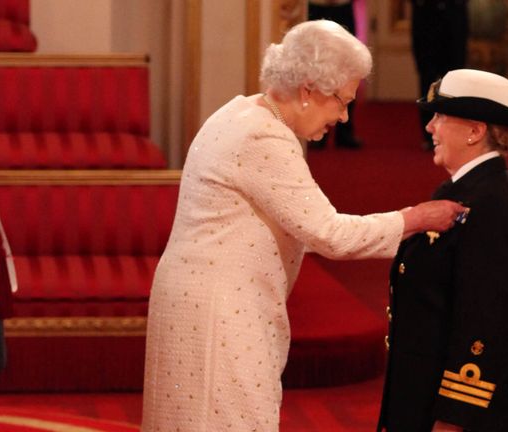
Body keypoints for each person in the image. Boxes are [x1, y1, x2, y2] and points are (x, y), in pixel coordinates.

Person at [141, 20, 466, 432]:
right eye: (342, 101)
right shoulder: (264, 138)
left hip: (201, 299)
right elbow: (329, 234)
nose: (345, 117)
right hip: (219, 312)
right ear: (310, 89)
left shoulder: (241, 110)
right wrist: (416, 218)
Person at [378, 69, 508, 432]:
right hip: (423, 393)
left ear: (475, 131)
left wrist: (454, 415)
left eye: (441, 117)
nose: (429, 127)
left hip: (462, 414)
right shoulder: (463, 188)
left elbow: (486, 317)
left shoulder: (491, 201)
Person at [410, 0, 469, 151]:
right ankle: (429, 136)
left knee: (455, 81)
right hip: (426, 17)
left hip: (454, 16)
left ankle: (454, 133)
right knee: (427, 80)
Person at [307, 0, 363, 149]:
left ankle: (345, 132)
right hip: (316, 7)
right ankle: (316, 129)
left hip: (342, 8)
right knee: (315, 69)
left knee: (348, 67)